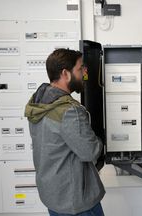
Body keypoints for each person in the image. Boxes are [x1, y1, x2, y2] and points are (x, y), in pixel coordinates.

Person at [25, 48, 105, 216]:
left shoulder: (39, 102)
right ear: (65, 74)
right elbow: (90, 152)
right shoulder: (69, 111)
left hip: (53, 195)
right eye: (80, 68)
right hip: (75, 201)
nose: (85, 72)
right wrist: (100, 141)